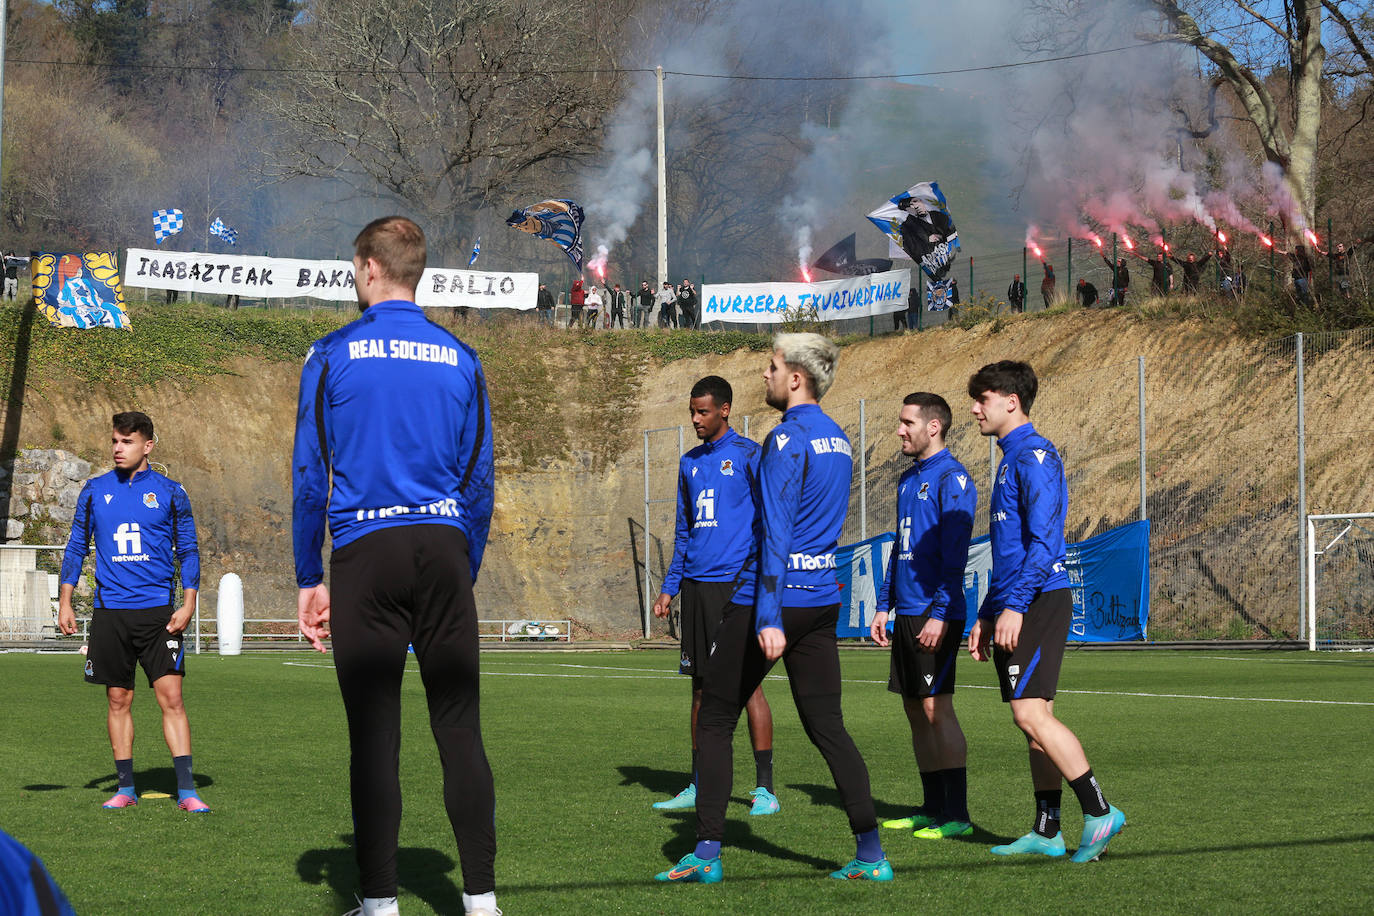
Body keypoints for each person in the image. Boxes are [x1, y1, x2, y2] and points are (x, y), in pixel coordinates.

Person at [293, 216, 498, 916]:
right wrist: (458, 560)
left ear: (369, 267)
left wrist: (308, 576)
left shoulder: (330, 353)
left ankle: (380, 904)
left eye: (355, 269)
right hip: (442, 547)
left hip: (365, 553)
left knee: (375, 734)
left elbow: (309, 473)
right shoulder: (461, 356)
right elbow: (479, 480)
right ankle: (481, 902)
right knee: (460, 727)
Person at [656, 333, 892, 885]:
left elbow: (777, 533)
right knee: (828, 726)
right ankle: (872, 853)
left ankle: (707, 853)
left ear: (796, 378)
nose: (764, 376)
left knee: (714, 716)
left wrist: (764, 615)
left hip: (776, 598)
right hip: (821, 598)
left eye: (771, 367)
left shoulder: (785, 439)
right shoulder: (838, 437)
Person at [966, 360, 1125, 863]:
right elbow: (1008, 551)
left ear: (1010, 401)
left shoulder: (1033, 455)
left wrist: (1013, 606)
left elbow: (1045, 542)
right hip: (1018, 601)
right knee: (1034, 720)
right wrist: (989, 612)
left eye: (983, 399)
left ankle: (1100, 812)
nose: (975, 409)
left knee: (1029, 714)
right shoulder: (1010, 458)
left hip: (1038, 600)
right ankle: (1047, 828)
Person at [57, 411, 209, 814]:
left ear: (148, 446)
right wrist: (66, 600)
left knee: (171, 697)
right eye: (114, 441)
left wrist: (189, 602)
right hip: (111, 613)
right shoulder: (94, 490)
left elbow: (189, 550)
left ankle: (188, 790)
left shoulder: (171, 491)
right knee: (118, 698)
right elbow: (76, 547)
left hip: (159, 613)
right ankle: (125, 787)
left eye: (126, 441)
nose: (117, 448)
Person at [651, 375, 778, 817]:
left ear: (724, 409)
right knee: (700, 689)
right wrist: (670, 588)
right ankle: (698, 782)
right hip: (696, 588)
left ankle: (764, 788)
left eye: (702, 411)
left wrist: (757, 577)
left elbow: (768, 521)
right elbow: (683, 529)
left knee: (748, 687)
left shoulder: (748, 455)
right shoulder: (688, 462)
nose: (695, 419)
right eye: (692, 411)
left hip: (736, 587)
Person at [871, 393, 977, 841]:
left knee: (937, 708)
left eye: (906, 422)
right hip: (908, 612)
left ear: (933, 427)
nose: (899, 430)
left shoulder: (954, 479)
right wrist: (883, 603)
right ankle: (932, 806)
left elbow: (956, 557)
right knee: (915, 709)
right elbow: (900, 547)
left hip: (938, 613)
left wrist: (938, 611)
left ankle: (957, 814)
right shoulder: (907, 480)